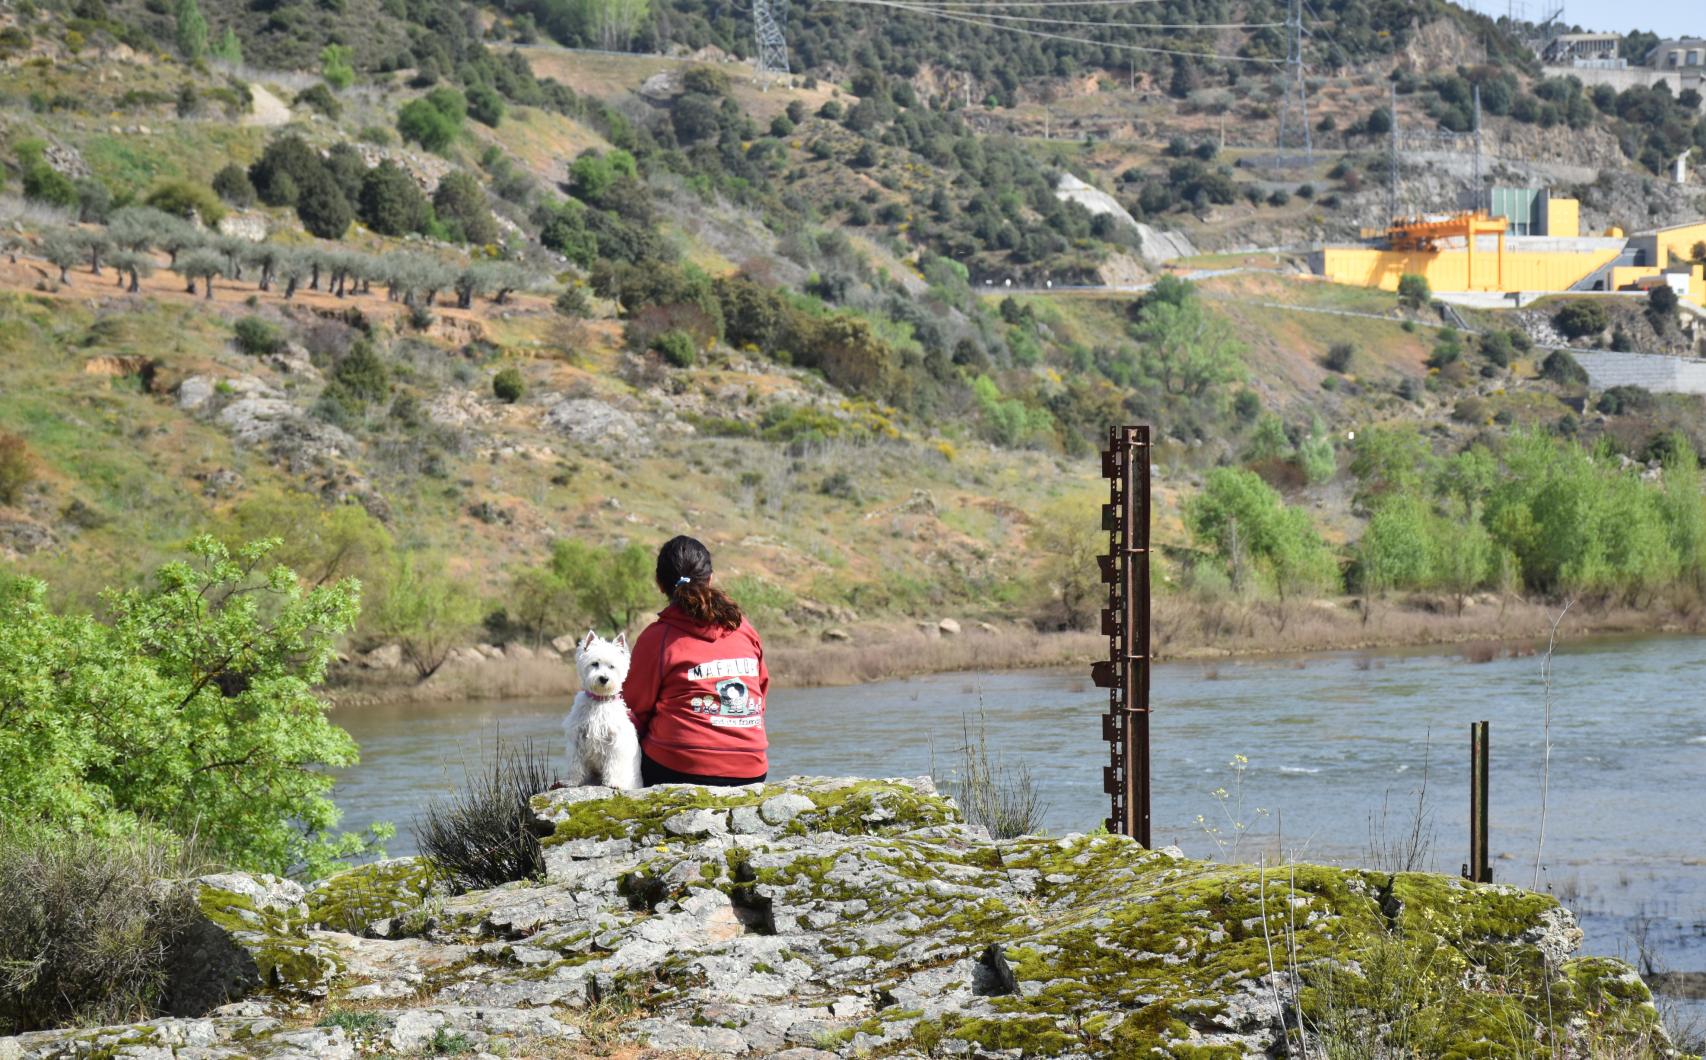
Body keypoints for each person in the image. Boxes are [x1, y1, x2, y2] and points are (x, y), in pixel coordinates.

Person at [622, 535, 769, 787]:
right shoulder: (744, 628)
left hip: (679, 770)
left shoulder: (658, 637)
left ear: (659, 584)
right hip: (751, 770)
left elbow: (633, 710)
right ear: (710, 579)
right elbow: (761, 696)